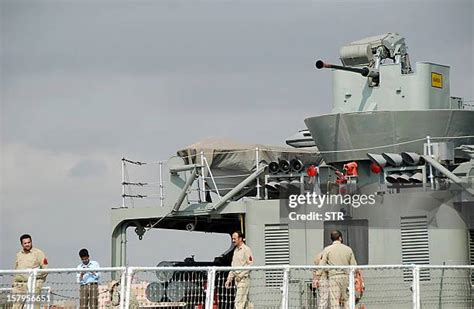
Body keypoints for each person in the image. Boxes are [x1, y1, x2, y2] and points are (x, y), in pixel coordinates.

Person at [315, 230, 357, 309]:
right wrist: (354, 277)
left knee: (334, 301)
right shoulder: (348, 249)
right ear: (340, 238)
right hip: (346, 277)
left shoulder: (327, 249)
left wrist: (317, 277)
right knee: (347, 300)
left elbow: (322, 264)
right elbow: (354, 266)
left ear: (332, 239)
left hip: (333, 278)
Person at [12, 234, 48, 309]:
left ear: (31, 242)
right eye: (25, 243)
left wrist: (38, 281)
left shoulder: (38, 253)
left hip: (33, 285)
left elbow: (45, 269)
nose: (27, 244)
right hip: (19, 285)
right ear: (21, 244)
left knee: (34, 306)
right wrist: (14, 283)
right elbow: (16, 269)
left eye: (29, 242)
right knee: (16, 307)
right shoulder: (19, 254)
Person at [225, 231, 254, 309]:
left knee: (238, 303)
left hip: (243, 280)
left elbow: (250, 264)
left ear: (240, 239)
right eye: (232, 239)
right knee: (247, 304)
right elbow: (233, 267)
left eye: (235, 238)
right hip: (237, 281)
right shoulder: (235, 251)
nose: (233, 240)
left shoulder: (246, 249)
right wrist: (229, 279)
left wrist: (241, 275)